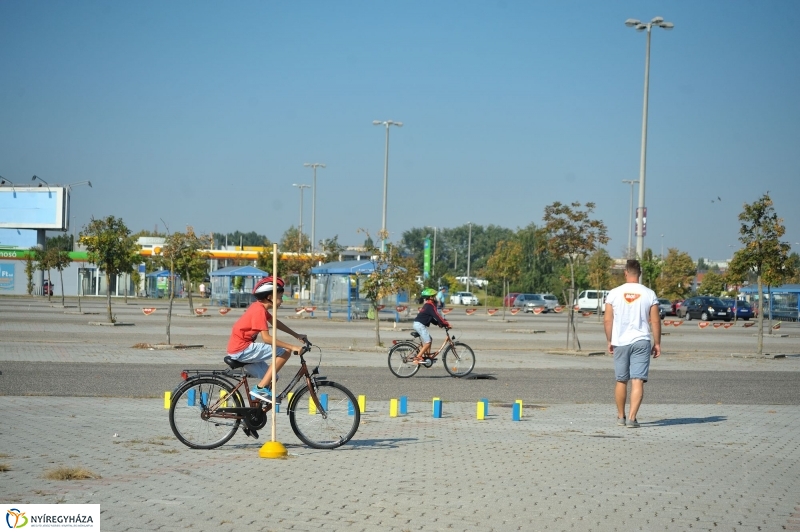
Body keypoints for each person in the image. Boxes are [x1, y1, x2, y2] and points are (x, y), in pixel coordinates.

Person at [226, 276, 307, 402]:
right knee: (285, 351)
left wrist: (296, 335)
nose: (282, 301)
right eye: (280, 298)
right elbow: (267, 339)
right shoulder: (259, 310)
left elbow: (275, 322)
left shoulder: (259, 307)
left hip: (242, 349)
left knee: (272, 377)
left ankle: (255, 412)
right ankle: (260, 389)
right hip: (242, 349)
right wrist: (292, 346)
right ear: (270, 297)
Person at [604, 259, 661, 428]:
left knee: (621, 380)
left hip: (620, 341)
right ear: (640, 274)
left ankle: (620, 417)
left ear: (625, 273)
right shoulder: (649, 293)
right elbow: (655, 321)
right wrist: (657, 343)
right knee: (637, 380)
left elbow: (608, 320)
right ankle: (632, 418)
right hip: (642, 340)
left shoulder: (614, 293)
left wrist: (609, 340)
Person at [413, 288, 451, 363]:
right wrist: (445, 323)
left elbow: (431, 318)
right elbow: (437, 316)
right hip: (419, 325)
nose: (435, 297)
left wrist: (438, 323)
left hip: (417, 324)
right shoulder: (430, 306)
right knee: (428, 342)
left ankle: (427, 357)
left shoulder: (427, 305)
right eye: (434, 296)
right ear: (431, 297)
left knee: (429, 339)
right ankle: (418, 357)